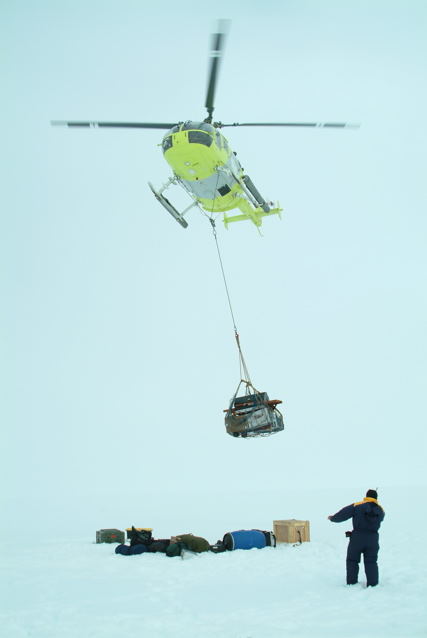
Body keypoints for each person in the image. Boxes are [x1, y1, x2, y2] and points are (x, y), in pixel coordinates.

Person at [328, 489, 385, 587]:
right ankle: (373, 584)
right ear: (376, 498)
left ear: (366, 496)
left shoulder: (358, 505)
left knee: (352, 560)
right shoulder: (381, 510)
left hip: (357, 538)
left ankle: (352, 583)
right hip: (373, 539)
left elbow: (343, 514)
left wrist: (333, 518)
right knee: (371, 561)